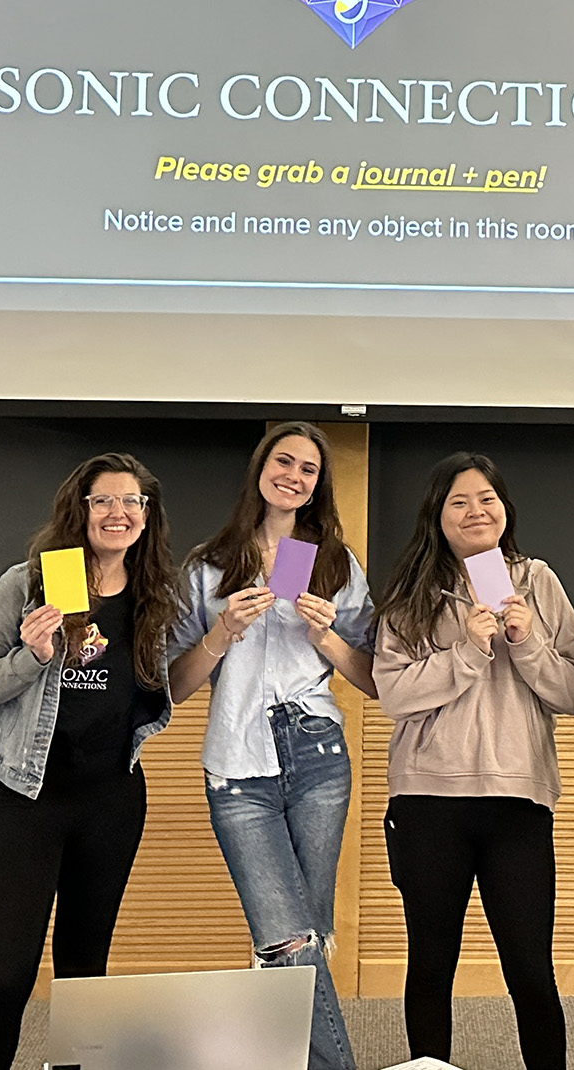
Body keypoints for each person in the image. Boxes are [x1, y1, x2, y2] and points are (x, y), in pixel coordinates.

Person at [0, 453, 181, 1070]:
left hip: (111, 799)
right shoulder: (26, 582)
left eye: (132, 502)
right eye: (102, 500)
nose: (118, 513)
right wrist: (31, 653)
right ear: (77, 510)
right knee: (4, 971)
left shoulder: (157, 595)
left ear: (146, 515)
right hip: (26, 798)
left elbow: (164, 684)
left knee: (85, 976)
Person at [167, 422, 377, 1070]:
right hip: (237, 765)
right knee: (289, 943)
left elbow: (373, 678)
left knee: (300, 940)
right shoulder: (208, 566)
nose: (294, 474)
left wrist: (328, 639)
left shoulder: (334, 564)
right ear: (261, 468)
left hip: (317, 754)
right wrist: (222, 632)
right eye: (283, 460)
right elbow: (173, 685)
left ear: (318, 486)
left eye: (308, 469)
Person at [372, 452, 574, 1070]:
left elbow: (572, 692)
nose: (476, 511)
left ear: (505, 509)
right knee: (431, 961)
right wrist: (467, 650)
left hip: (517, 801)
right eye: (459, 502)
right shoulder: (411, 591)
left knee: (529, 966)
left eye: (487, 499)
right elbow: (394, 694)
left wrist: (526, 643)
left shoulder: (538, 581)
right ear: (437, 517)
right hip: (427, 802)